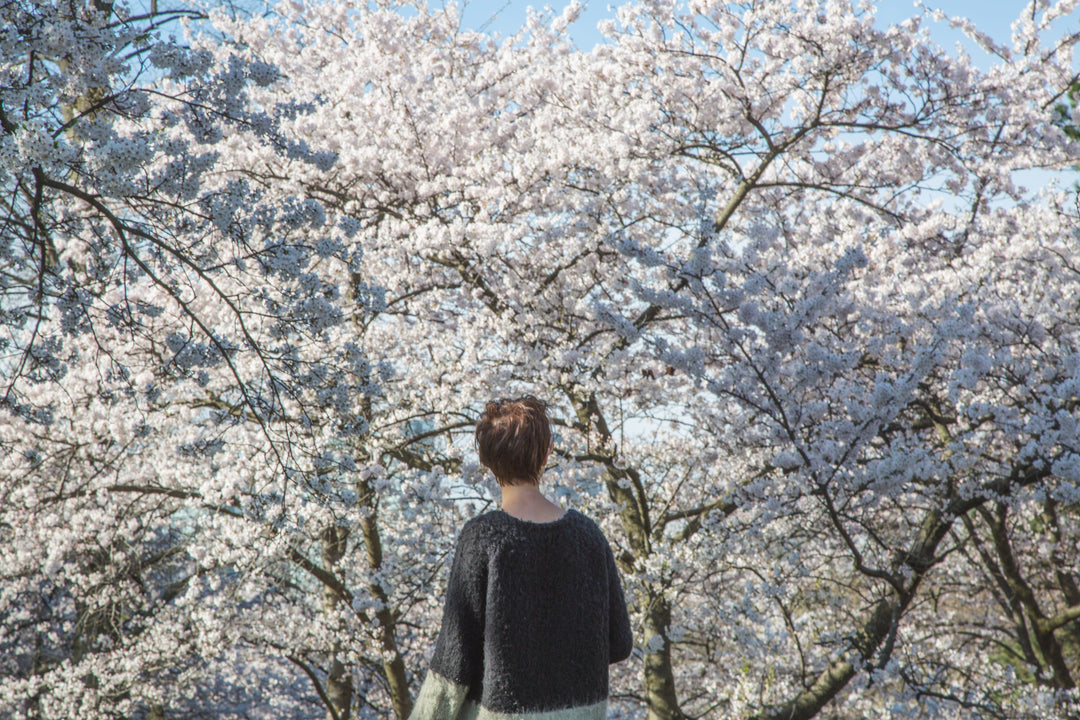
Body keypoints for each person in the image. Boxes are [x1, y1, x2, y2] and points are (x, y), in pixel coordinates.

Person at [409, 396, 634, 720]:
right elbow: (619, 644)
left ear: (485, 458)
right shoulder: (590, 537)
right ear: (547, 452)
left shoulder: (483, 538)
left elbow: (455, 657)